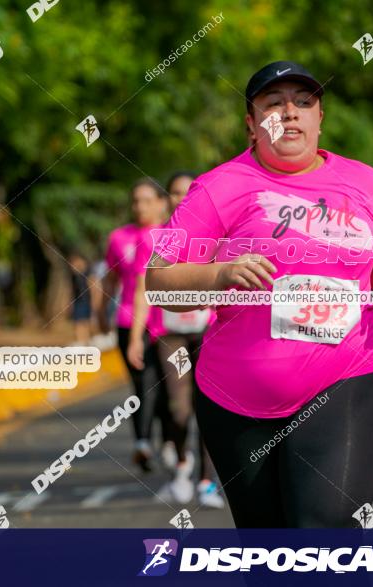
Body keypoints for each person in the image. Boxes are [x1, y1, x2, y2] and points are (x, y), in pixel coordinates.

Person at [146, 61, 373, 528]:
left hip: (347, 375)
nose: (290, 113)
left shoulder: (368, 182)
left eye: (303, 102)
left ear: (319, 118)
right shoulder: (216, 188)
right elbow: (158, 280)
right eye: (274, 104)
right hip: (235, 396)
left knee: (325, 530)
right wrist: (220, 275)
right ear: (251, 124)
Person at [148, 171, 225, 508]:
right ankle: (182, 466)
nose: (182, 199)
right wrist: (138, 334)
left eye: (187, 193)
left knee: (206, 405)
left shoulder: (218, 236)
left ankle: (208, 482)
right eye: (176, 193)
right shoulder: (157, 238)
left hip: (208, 330)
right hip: (170, 333)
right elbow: (141, 289)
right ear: (168, 200)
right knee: (178, 409)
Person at [102, 178, 169, 472]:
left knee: (167, 386)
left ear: (161, 203)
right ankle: (142, 442)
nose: (140, 206)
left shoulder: (173, 234)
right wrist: (99, 312)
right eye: (136, 200)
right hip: (129, 321)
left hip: (167, 323)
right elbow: (111, 278)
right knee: (143, 382)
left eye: (146, 200)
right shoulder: (118, 238)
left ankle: (169, 440)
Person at [68, 250, 94, 345]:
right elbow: (72, 291)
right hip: (77, 302)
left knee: (86, 323)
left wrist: (94, 302)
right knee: (77, 323)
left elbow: (92, 288)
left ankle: (86, 343)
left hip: (86, 301)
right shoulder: (74, 276)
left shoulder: (88, 273)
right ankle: (81, 343)